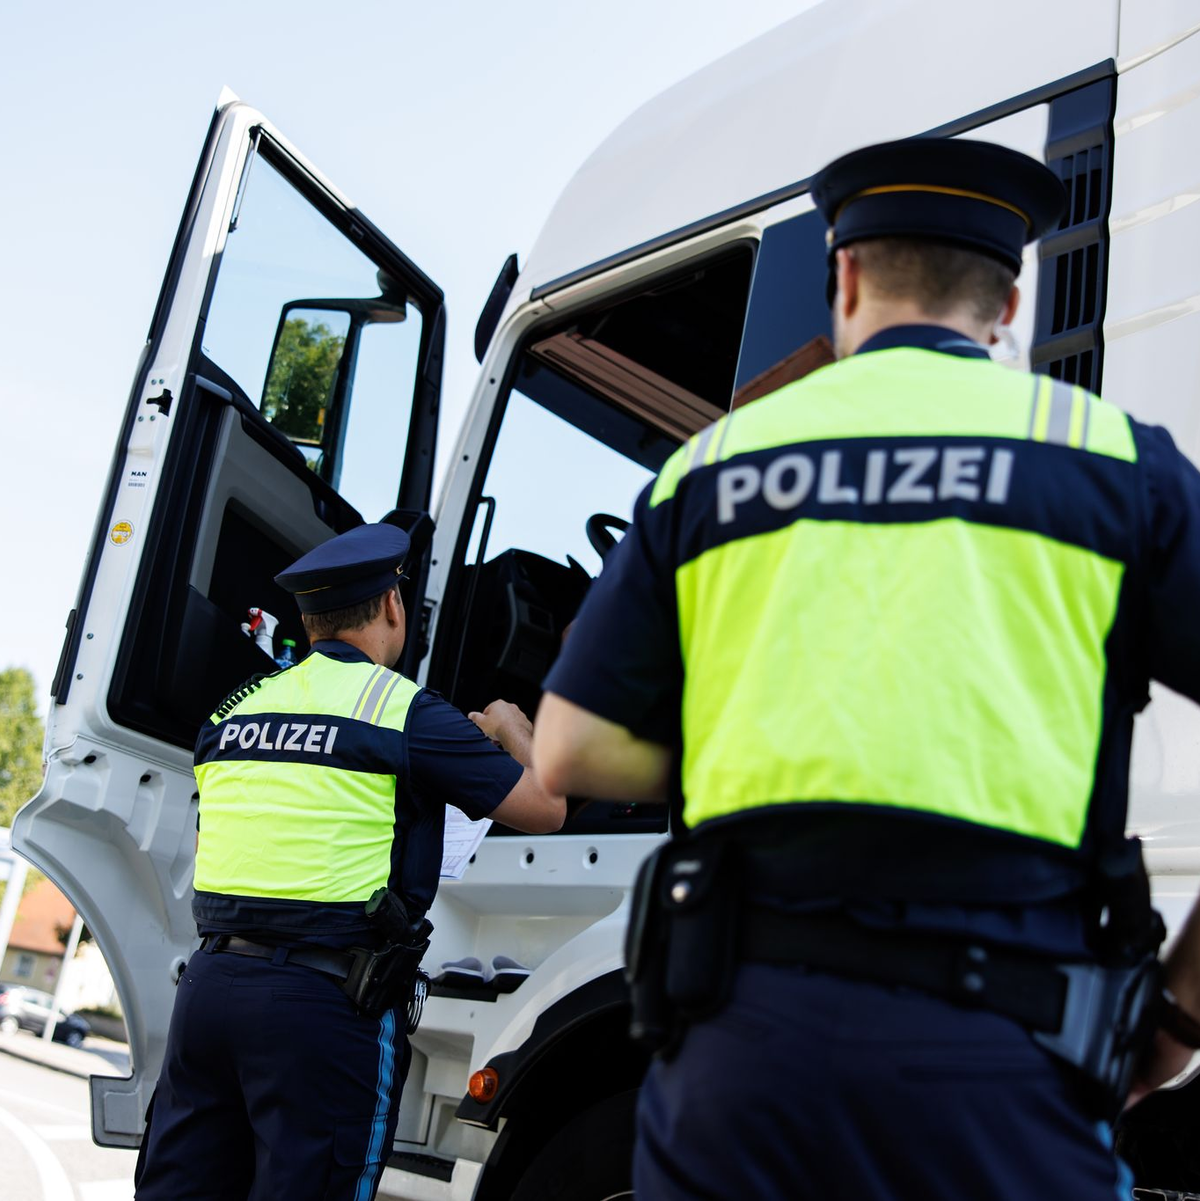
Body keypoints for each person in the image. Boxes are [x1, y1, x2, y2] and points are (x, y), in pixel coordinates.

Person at [533, 137, 1200, 1199]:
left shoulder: (711, 468)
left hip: (743, 1069)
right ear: (1009, 303)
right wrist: (1174, 1018)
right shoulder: (1117, 463)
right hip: (1012, 1072)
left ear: (843, 279)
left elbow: (567, 747)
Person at [135, 522, 564, 1201]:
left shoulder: (234, 709)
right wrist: (512, 726)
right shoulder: (402, 710)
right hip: (321, 1010)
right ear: (393, 605)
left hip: (209, 991)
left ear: (308, 622)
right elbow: (547, 806)